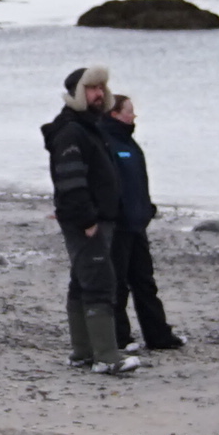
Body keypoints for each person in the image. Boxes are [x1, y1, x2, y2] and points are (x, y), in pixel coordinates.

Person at [41, 65, 133, 374]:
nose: (99, 93)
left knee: (82, 281)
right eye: (92, 88)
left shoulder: (89, 127)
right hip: (86, 220)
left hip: (97, 217)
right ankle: (106, 357)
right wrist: (86, 219)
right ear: (78, 93)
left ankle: (82, 352)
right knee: (98, 283)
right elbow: (70, 180)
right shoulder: (71, 130)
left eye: (101, 88)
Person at [106, 83, 179, 354]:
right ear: (114, 114)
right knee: (118, 284)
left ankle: (158, 335)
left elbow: (137, 182)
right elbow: (109, 184)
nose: (133, 116)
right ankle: (119, 337)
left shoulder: (129, 143)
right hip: (118, 224)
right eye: (129, 111)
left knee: (144, 281)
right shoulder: (107, 142)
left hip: (137, 222)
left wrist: (147, 208)